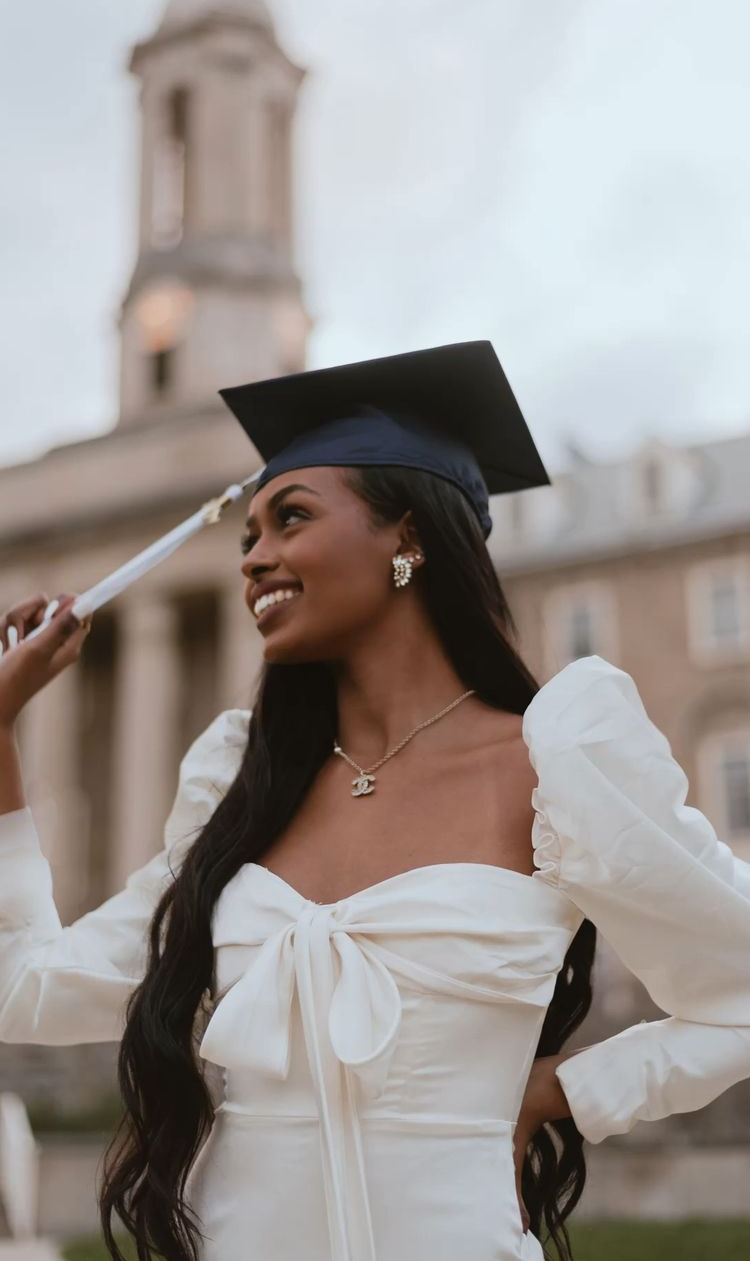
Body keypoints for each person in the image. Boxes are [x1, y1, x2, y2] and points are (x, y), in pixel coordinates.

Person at [0, 341, 749, 1261]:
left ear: (408, 536)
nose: (255, 559)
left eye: (290, 519)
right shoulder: (241, 796)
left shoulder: (557, 762)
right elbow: (23, 986)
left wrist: (564, 1089)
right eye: (248, 537)